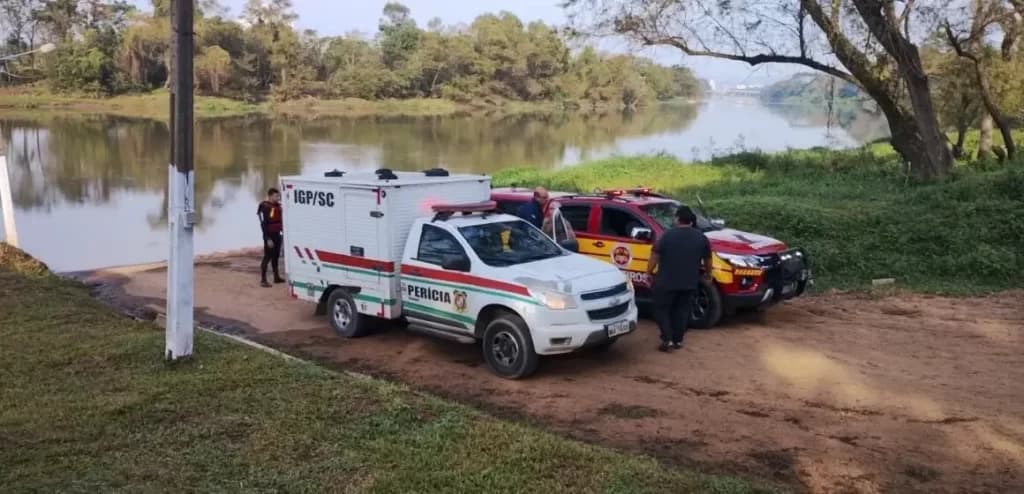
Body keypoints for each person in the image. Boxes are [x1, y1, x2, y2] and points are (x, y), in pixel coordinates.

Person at [647, 205, 712, 352]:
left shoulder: (666, 236)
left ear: (677, 219)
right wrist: (708, 274)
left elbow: (655, 256)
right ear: (691, 221)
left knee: (661, 309)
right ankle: (678, 340)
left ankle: (667, 339)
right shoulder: (701, 238)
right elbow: (708, 259)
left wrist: (648, 272)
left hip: (666, 281)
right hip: (689, 282)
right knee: (682, 310)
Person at [258, 188, 284, 287]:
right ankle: (263, 280)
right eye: (276, 196)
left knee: (276, 256)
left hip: (277, 234)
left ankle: (276, 277)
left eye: (278, 196)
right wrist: (267, 238)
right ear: (270, 196)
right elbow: (263, 224)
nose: (278, 198)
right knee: (267, 256)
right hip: (269, 235)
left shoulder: (278, 206)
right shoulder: (264, 207)